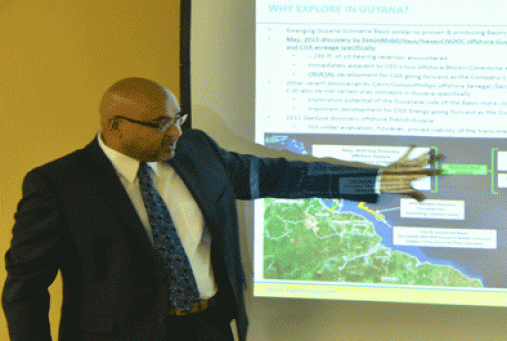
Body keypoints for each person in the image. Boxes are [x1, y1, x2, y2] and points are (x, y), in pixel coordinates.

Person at [3, 77, 440, 341]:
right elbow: (25, 288)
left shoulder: (196, 152)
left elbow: (277, 176)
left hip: (206, 329)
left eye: (178, 119)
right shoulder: (59, 185)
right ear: (116, 126)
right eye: (162, 124)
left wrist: (375, 179)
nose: (176, 132)